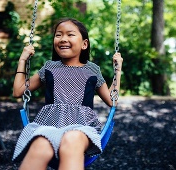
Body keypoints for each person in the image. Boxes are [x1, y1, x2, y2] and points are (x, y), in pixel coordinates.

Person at [11, 18, 123, 169]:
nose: (63, 39)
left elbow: (111, 100)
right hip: (49, 125)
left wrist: (118, 70)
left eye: (70, 35)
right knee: (41, 143)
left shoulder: (92, 70)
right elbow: (18, 91)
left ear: (84, 44)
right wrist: (22, 60)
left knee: (72, 138)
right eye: (58, 35)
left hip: (82, 127)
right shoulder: (49, 67)